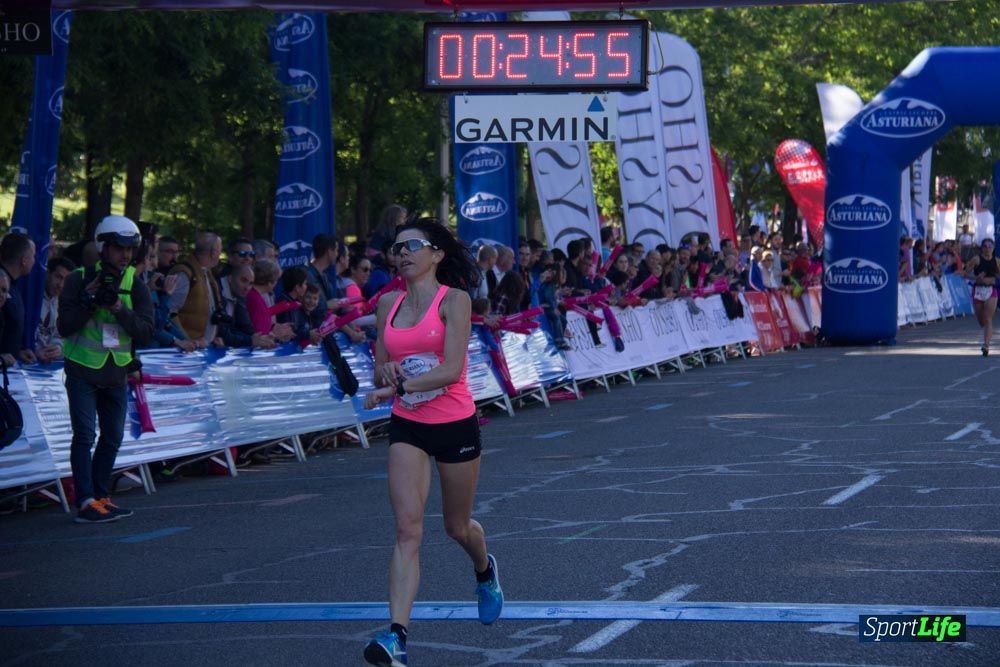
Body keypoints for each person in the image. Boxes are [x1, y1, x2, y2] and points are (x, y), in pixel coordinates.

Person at [362, 219, 502, 666]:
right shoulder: (387, 304)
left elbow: (452, 369)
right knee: (407, 530)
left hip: (455, 423)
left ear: (437, 254)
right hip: (409, 425)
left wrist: (396, 388)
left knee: (457, 527)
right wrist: (384, 377)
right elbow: (381, 366)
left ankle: (485, 570)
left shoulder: (454, 301)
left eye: (412, 246)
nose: (401, 253)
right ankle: (396, 637)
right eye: (395, 248)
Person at [58, 216, 154, 523]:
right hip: (82, 369)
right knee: (85, 435)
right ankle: (85, 501)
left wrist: (119, 309)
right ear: (103, 248)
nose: (125, 255)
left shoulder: (135, 285)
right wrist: (88, 299)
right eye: (118, 248)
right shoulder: (78, 278)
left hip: (116, 373)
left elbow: (145, 332)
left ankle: (101, 496)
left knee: (112, 436)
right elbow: (63, 327)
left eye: (130, 249)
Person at [168, 232, 223, 347]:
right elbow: (170, 312)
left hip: (203, 348)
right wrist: (186, 340)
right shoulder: (185, 273)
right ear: (213, 253)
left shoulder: (207, 272)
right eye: (219, 251)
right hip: (187, 352)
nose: (219, 255)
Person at [0, 232, 38, 365]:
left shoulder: (14, 286)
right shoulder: (3, 282)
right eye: (33, 256)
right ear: (24, 260)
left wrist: (17, 352)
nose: (35, 260)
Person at [35, 257, 76, 363]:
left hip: (49, 367)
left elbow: (61, 336)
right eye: (58, 277)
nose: (61, 285)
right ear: (48, 273)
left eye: (66, 280)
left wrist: (58, 348)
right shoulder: (31, 298)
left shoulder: (63, 303)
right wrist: (34, 349)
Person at [965, 238, 998, 356]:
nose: (988, 248)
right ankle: (986, 335)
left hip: (991, 291)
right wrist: (976, 278)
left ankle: (986, 345)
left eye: (990, 246)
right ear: (982, 248)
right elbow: (965, 274)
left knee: (988, 319)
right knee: (982, 321)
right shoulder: (976, 259)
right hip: (978, 291)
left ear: (993, 248)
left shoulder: (997, 261)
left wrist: (993, 279)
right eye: (985, 246)